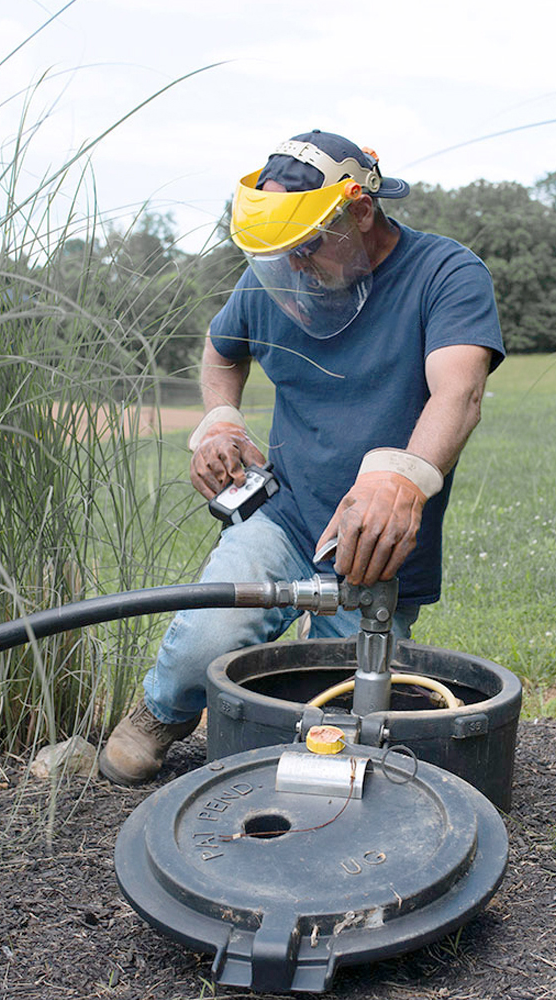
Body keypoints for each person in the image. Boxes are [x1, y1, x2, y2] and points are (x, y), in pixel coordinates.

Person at [99, 129, 505, 786]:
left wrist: (401, 482)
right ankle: (158, 715)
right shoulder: (281, 275)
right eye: (279, 254)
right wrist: (220, 420)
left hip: (374, 542)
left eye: (307, 246)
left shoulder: (445, 273)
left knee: (342, 714)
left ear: (361, 211)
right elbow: (221, 350)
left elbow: (458, 393)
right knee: (204, 641)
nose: (293, 268)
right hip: (285, 512)